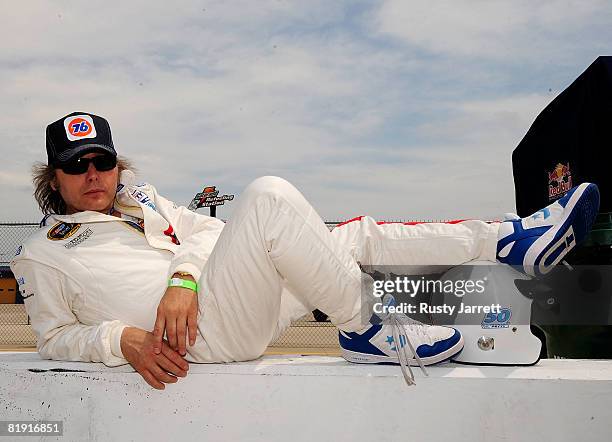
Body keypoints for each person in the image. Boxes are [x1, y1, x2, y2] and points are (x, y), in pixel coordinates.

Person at [10, 112, 600, 389]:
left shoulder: (147, 203)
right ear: (53, 177)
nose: (92, 175)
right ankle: (366, 325)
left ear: (116, 163)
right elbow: (54, 336)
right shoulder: (41, 253)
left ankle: (510, 240)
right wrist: (123, 339)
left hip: (224, 301)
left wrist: (183, 277)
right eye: (74, 166)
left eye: (102, 161)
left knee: (350, 235)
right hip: (201, 340)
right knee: (267, 198)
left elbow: (210, 237)